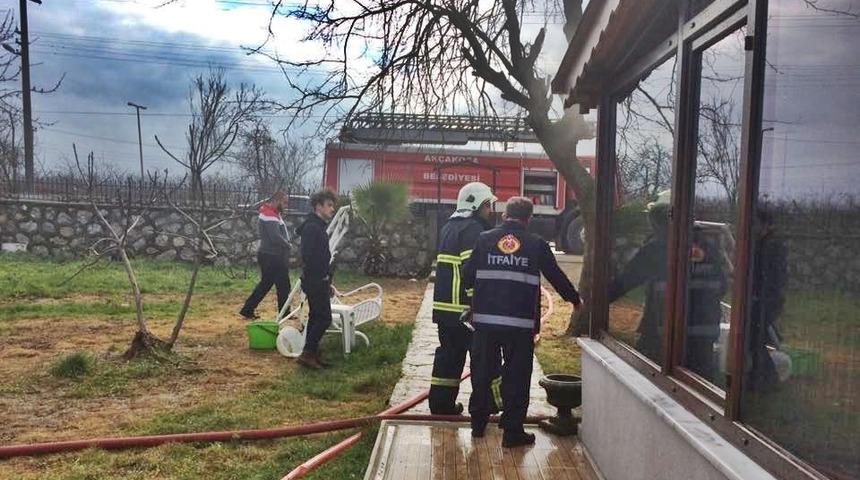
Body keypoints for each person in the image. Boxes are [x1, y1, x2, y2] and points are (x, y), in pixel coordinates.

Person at [464, 197, 581, 448]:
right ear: (528, 219)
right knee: (517, 376)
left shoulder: (484, 239)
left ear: (505, 215)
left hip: (485, 323)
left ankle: (478, 425)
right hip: (520, 326)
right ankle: (512, 432)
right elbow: (556, 276)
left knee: (482, 372)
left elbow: (466, 277)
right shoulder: (536, 244)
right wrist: (575, 300)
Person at [429, 182, 502, 415]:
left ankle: (441, 406)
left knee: (449, 357)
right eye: (488, 205)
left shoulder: (449, 227)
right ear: (479, 205)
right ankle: (485, 405)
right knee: (484, 359)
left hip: (444, 309)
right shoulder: (473, 230)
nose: (491, 210)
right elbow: (472, 272)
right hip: (466, 310)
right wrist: (476, 305)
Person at [607, 190, 671, 363]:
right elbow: (723, 285)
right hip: (701, 334)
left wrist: (597, 301)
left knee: (646, 371)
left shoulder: (656, 249)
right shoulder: (704, 248)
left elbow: (627, 279)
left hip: (658, 328)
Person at [295, 188, 338, 370]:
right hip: (315, 279)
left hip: (318, 279)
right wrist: (322, 278)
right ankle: (308, 353)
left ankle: (312, 352)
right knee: (324, 318)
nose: (332, 209)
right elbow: (310, 256)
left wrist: (327, 279)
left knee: (315, 316)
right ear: (318, 206)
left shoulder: (316, 226)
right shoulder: (312, 228)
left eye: (332, 205)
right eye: (328, 205)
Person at [240, 191, 292, 320]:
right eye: (284, 202)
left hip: (272, 255)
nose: (285, 205)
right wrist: (287, 245)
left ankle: (248, 309)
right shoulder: (269, 214)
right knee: (282, 284)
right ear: (276, 200)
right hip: (272, 256)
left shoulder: (272, 213)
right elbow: (275, 237)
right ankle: (284, 312)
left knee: (270, 284)